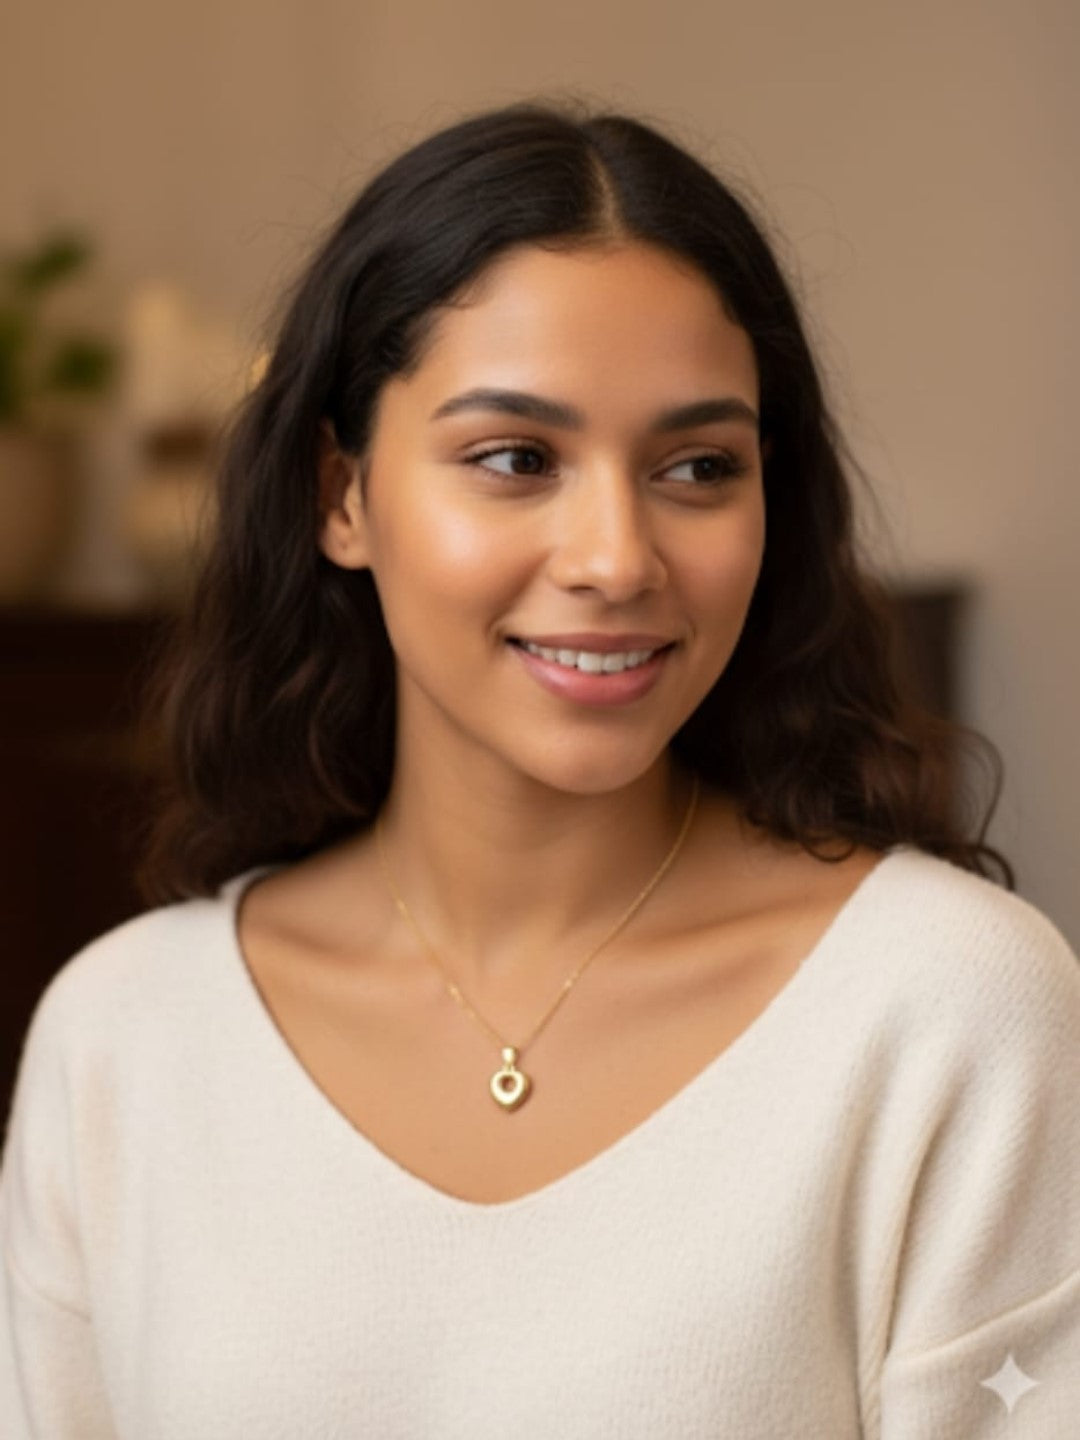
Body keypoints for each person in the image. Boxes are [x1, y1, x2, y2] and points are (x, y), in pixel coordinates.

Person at [1, 98, 1077, 1439]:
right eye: (514, 458)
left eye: (698, 466)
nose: (617, 558)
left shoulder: (948, 1010)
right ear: (341, 496)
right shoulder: (121, 1040)